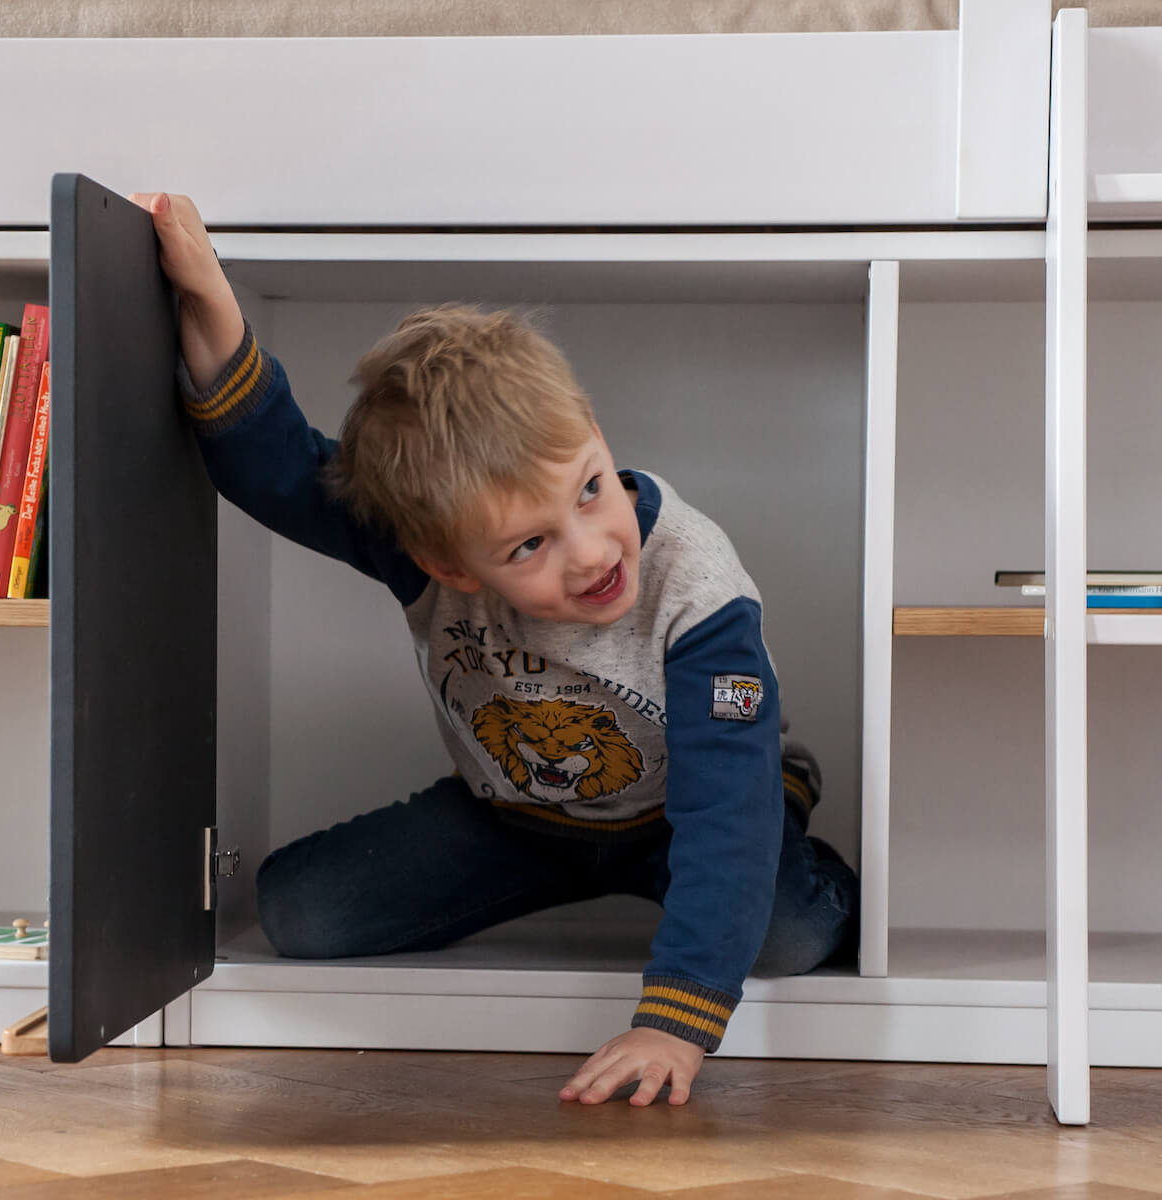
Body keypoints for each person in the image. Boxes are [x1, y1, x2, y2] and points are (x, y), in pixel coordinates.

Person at [130, 191, 860, 1108]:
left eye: (590, 490)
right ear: (445, 562)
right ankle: (562, 883)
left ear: (593, 429)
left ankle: (813, 872)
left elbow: (725, 814)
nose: (592, 551)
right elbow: (280, 473)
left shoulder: (698, 594)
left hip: (690, 817)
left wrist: (674, 1020)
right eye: (529, 546)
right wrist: (211, 304)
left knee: (783, 933)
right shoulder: (424, 554)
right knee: (299, 911)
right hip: (516, 816)